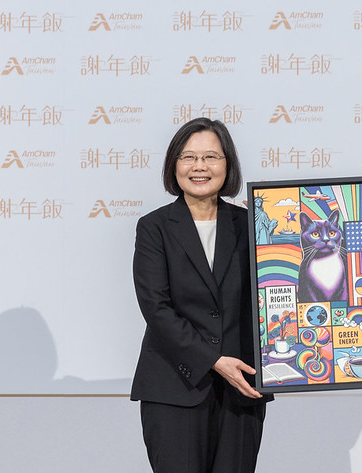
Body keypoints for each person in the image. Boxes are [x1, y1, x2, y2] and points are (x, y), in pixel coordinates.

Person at [131, 117, 270, 473]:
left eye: (211, 156)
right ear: (173, 164)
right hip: (175, 387)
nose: (199, 166)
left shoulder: (253, 224)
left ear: (228, 164)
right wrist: (212, 359)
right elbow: (156, 308)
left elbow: (275, 294)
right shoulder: (154, 227)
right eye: (188, 157)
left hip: (242, 387)